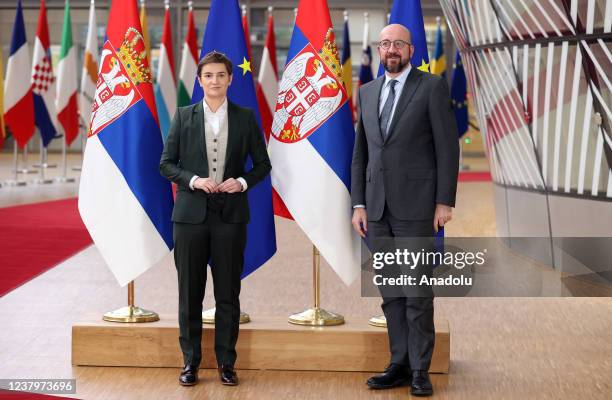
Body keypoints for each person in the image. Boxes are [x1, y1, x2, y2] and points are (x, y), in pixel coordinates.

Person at [351, 24, 459, 397]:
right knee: (391, 292)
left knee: (417, 292)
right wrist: (359, 203)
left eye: (398, 43)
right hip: (376, 208)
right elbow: (361, 152)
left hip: (417, 206)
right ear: (379, 50)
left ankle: (419, 369)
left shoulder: (430, 87)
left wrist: (444, 201)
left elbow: (448, 148)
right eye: (385, 44)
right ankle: (397, 362)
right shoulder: (366, 92)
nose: (391, 49)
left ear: (411, 49)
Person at [160, 51, 271, 387]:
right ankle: (190, 363)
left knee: (227, 294)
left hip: (231, 217)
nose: (214, 81)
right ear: (200, 80)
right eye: (208, 76)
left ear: (230, 79)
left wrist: (241, 182)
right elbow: (166, 164)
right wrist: (193, 180)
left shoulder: (245, 117)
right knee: (189, 293)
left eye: (221, 75)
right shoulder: (183, 116)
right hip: (190, 217)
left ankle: (226, 363)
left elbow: (263, 165)